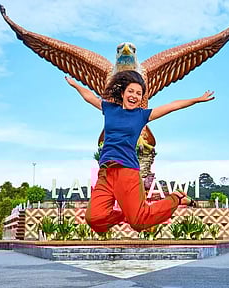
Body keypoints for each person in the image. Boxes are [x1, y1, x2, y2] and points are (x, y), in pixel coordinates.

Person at [65, 70, 215, 233]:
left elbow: (172, 106)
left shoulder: (141, 115)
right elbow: (89, 97)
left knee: (138, 222)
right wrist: (75, 85)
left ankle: (175, 199)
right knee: (93, 219)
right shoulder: (109, 109)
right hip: (106, 173)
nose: (134, 96)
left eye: (138, 93)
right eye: (131, 91)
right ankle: (127, 215)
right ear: (123, 93)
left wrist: (197, 100)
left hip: (127, 172)